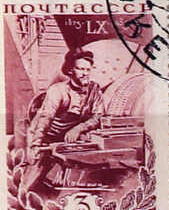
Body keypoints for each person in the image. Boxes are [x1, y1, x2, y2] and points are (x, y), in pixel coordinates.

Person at [17, 49, 105, 200]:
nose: (85, 73)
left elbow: (98, 116)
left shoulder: (94, 89)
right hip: (46, 137)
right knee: (29, 184)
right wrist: (35, 145)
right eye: (80, 69)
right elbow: (44, 120)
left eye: (88, 69)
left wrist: (79, 128)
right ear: (70, 70)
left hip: (70, 139)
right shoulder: (57, 91)